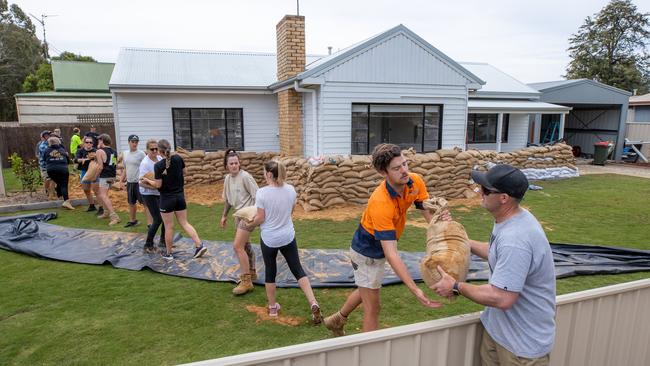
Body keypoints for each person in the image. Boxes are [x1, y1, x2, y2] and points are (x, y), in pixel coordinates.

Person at [431, 164, 556, 365]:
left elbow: (502, 298)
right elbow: (495, 253)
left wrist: (455, 286)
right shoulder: (511, 219)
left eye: (486, 190)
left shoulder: (516, 239)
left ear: (503, 198)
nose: (480, 191)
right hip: (500, 333)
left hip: (521, 348)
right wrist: (458, 238)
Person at [323, 143, 442, 336]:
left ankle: (337, 319)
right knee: (373, 307)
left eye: (405, 164)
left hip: (380, 249)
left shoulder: (415, 181)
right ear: (382, 172)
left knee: (367, 287)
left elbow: (425, 210)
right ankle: (370, 354)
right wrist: (415, 289)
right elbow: (391, 253)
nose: (404, 171)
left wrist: (440, 231)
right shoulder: (380, 202)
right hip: (367, 253)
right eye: (397, 168)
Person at [248, 160, 322, 323]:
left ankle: (273, 308)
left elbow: (260, 218)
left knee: (270, 271)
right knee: (297, 269)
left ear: (269, 174)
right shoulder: (290, 190)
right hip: (287, 235)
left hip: (269, 239)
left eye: (264, 172)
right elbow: (291, 211)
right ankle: (313, 302)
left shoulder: (262, 193)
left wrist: (249, 223)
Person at [140, 139, 207, 260]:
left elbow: (158, 185)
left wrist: (147, 180)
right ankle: (199, 245)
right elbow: (184, 172)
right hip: (180, 196)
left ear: (160, 151)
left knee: (169, 226)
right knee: (185, 223)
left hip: (167, 199)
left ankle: (169, 253)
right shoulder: (178, 158)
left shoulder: (158, 166)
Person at [220, 149, 259, 295]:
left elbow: (258, 196)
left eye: (236, 163)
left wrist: (256, 216)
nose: (235, 165)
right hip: (238, 215)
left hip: (248, 215)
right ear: (227, 165)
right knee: (245, 245)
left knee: (238, 246)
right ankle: (252, 272)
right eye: (231, 163)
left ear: (239, 164)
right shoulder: (227, 179)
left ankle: (246, 280)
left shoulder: (246, 177)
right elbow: (228, 200)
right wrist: (224, 216)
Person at [138, 139, 165, 252]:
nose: (154, 151)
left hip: (159, 192)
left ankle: (163, 241)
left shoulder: (159, 158)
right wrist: (154, 186)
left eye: (156, 149)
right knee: (157, 219)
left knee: (165, 217)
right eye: (152, 149)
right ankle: (148, 244)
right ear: (147, 150)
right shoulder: (145, 163)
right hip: (148, 193)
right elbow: (140, 182)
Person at [121, 134, 147, 228]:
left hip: (139, 183)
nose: (135, 144)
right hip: (130, 182)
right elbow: (125, 168)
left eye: (136, 142)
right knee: (131, 203)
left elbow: (146, 167)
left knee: (145, 203)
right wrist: (121, 180)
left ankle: (150, 224)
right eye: (133, 142)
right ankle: (133, 221)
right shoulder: (125, 153)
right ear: (128, 142)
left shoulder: (141, 154)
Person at [94, 134, 120, 226]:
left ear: (102, 141)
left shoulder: (99, 151)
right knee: (103, 195)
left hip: (104, 176)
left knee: (103, 195)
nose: (97, 142)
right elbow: (114, 164)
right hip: (112, 176)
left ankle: (114, 216)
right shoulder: (114, 151)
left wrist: (95, 176)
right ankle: (106, 212)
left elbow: (100, 167)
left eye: (98, 140)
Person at [43, 136, 74, 210]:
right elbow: (68, 160)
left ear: (49, 143)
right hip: (63, 169)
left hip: (51, 170)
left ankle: (59, 194)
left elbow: (44, 159)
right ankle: (66, 201)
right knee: (63, 185)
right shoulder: (62, 150)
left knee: (59, 183)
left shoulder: (47, 150)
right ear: (58, 142)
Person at [74, 137, 99, 211]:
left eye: (90, 142)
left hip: (94, 171)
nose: (89, 144)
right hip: (84, 171)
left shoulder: (96, 151)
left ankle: (101, 207)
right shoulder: (80, 151)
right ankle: (92, 205)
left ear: (92, 144)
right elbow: (76, 160)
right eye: (87, 142)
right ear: (84, 143)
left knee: (96, 190)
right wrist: (87, 159)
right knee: (86, 189)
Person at [37, 130, 55, 199]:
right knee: (47, 179)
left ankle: (52, 194)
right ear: (44, 137)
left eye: (49, 135)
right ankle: (47, 191)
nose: (49, 137)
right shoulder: (42, 145)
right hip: (44, 166)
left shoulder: (51, 144)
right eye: (47, 136)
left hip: (52, 164)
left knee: (53, 179)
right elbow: (50, 153)